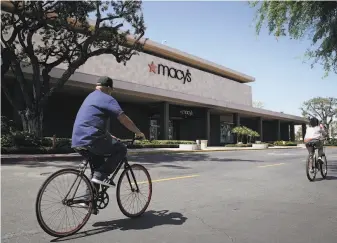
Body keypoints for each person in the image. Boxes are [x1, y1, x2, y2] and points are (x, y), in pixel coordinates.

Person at [71, 76, 145, 187]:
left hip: (77, 140)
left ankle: (88, 201)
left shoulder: (90, 97)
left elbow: (92, 122)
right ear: (109, 88)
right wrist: (138, 132)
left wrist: (109, 136)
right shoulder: (106, 98)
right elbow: (123, 118)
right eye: (111, 90)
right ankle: (101, 174)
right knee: (121, 149)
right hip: (92, 140)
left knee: (97, 170)